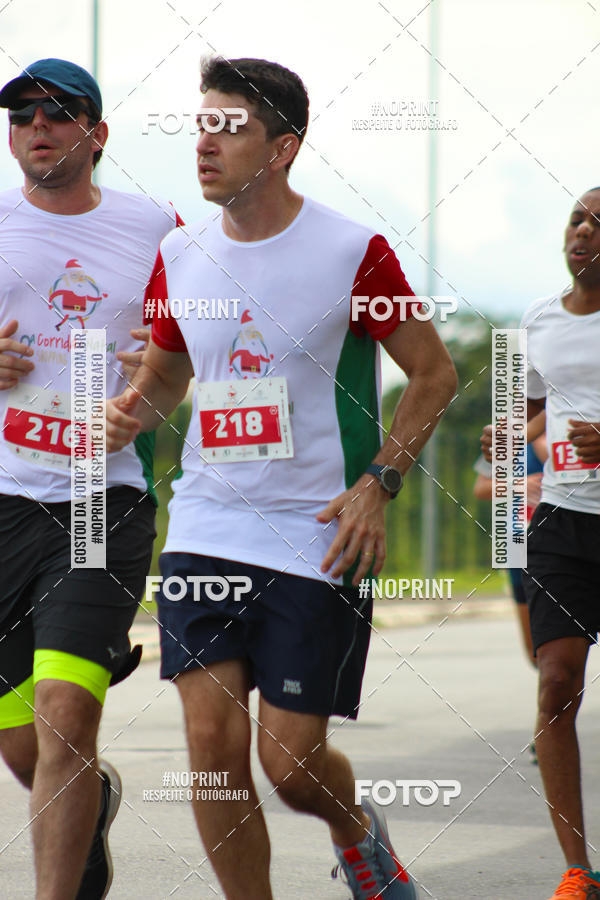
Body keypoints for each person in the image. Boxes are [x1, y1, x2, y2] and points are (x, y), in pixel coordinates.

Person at [107, 56, 457, 899]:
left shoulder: (351, 251)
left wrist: (380, 481)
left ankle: (354, 827)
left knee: (291, 768)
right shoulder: (181, 254)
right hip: (205, 529)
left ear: (282, 147)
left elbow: (434, 374)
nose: (204, 143)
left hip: (316, 534)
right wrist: (129, 409)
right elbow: (165, 380)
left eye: (228, 127)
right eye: (200, 124)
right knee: (214, 755)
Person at [0, 58, 180, 899]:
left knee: (66, 716)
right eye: (23, 114)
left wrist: (159, 373)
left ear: (96, 135)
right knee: (24, 747)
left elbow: (198, 347)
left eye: (59, 112)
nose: (38, 125)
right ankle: (91, 803)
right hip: (3, 500)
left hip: (100, 497)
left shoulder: (159, 229)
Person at [482, 188, 600, 899]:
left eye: (599, 224)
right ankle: (577, 870)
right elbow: (527, 408)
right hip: (562, 519)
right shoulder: (538, 320)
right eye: (577, 218)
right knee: (556, 682)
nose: (583, 232)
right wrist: (508, 433)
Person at [474, 413, 547, 667]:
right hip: (518, 545)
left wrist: (540, 436)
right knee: (536, 654)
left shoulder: (568, 423)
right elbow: (480, 488)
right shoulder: (507, 436)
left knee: (564, 650)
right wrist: (518, 485)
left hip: (566, 544)